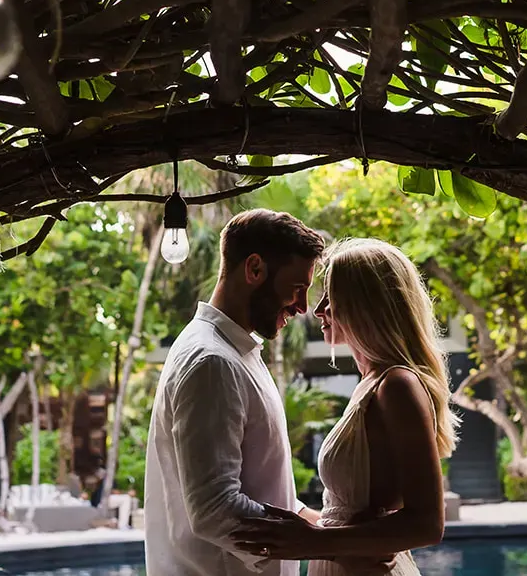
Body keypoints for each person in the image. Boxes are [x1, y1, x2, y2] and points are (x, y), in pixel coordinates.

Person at [233, 238, 457, 576]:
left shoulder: (397, 385)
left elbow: (427, 524)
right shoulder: (371, 383)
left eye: (331, 296)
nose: (318, 309)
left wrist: (314, 544)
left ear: (365, 303)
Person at [144, 208, 329, 576]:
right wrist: (322, 543)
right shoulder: (212, 363)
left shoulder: (236, 353)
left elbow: (267, 492)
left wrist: (329, 528)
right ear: (255, 269)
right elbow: (216, 510)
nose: (303, 307)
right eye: (297, 288)